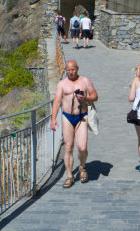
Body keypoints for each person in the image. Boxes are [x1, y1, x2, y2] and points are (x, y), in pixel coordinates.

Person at [50, 60, 98, 188]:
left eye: (73, 69)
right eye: (68, 70)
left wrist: (85, 98)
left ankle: (82, 167)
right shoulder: (62, 84)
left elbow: (95, 96)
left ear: (77, 68)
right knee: (68, 147)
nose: (70, 72)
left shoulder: (85, 81)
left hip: (82, 116)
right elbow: (56, 101)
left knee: (82, 147)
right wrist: (53, 118)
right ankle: (70, 176)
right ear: (66, 70)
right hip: (67, 117)